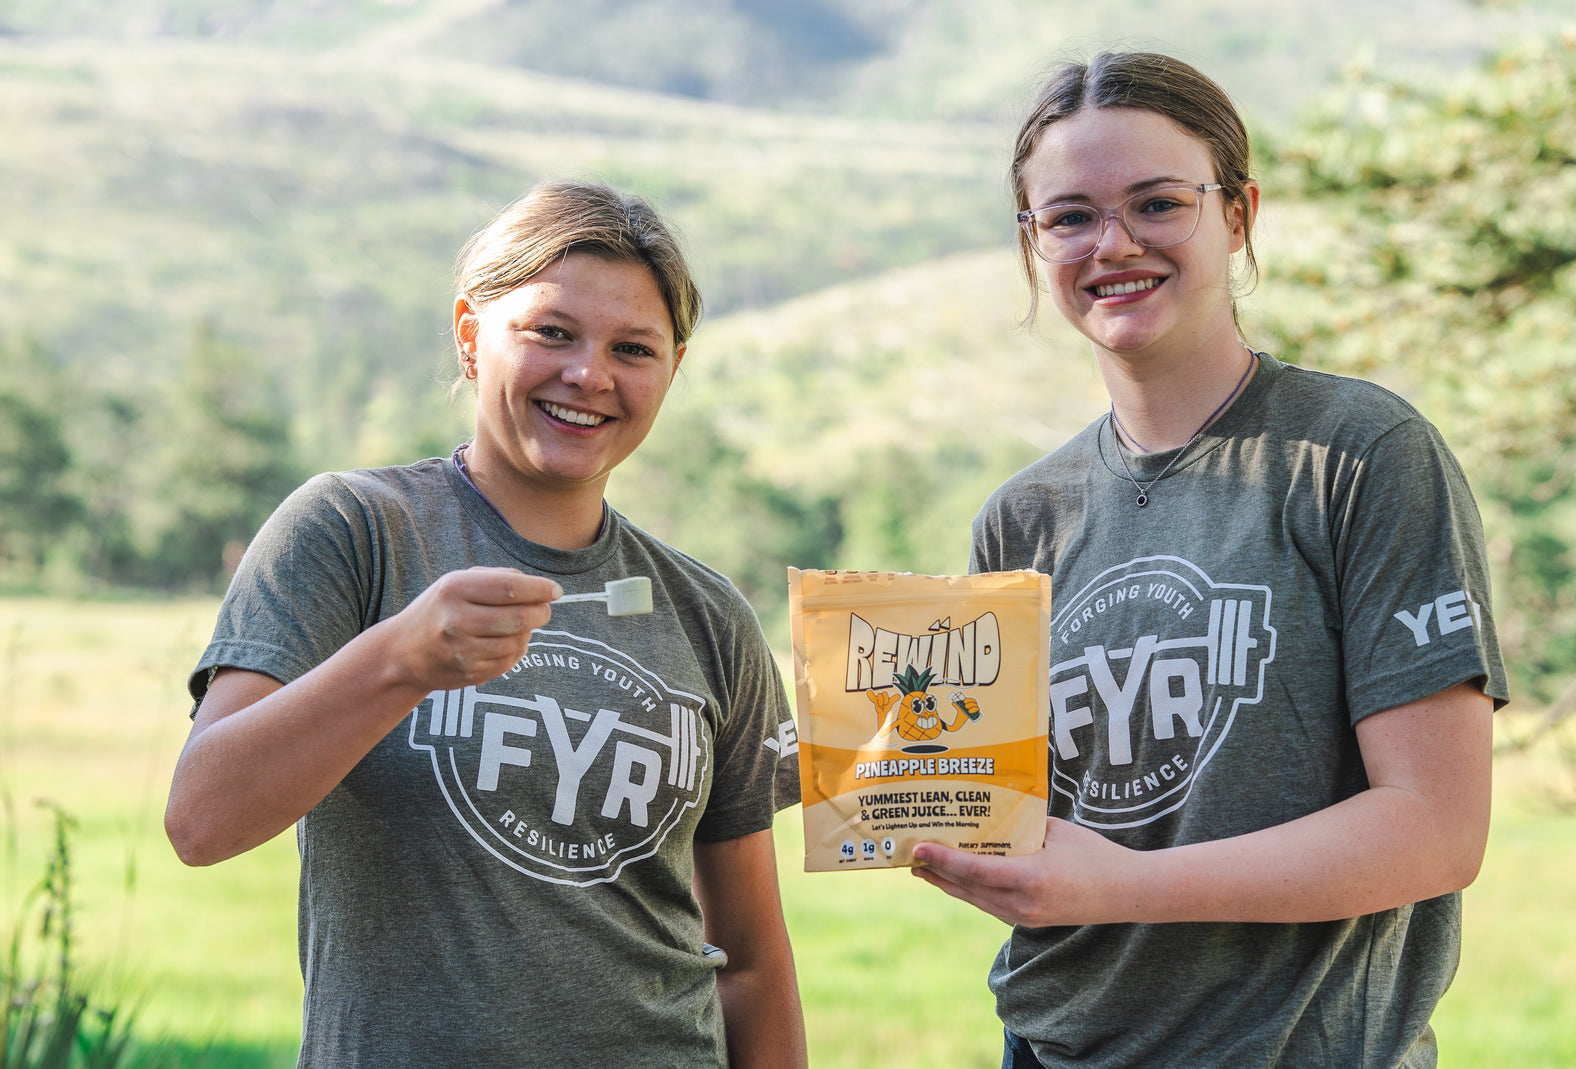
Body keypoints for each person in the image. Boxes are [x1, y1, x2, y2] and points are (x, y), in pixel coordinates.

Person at [909, 52, 1507, 1068]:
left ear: (1235, 215)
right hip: (1052, 1046)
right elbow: (1024, 823)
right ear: (1030, 242)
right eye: (1068, 216)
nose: (1113, 244)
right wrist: (873, 765)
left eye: (1156, 203)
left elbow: (1436, 828)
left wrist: (1125, 887)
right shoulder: (1018, 521)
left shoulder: (1358, 454)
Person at [165, 180, 807, 1068]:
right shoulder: (353, 532)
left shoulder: (708, 614)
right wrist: (399, 660)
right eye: (551, 332)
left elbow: (751, 964)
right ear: (471, 335)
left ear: (672, 368)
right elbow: (201, 820)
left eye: (634, 347)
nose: (589, 374)